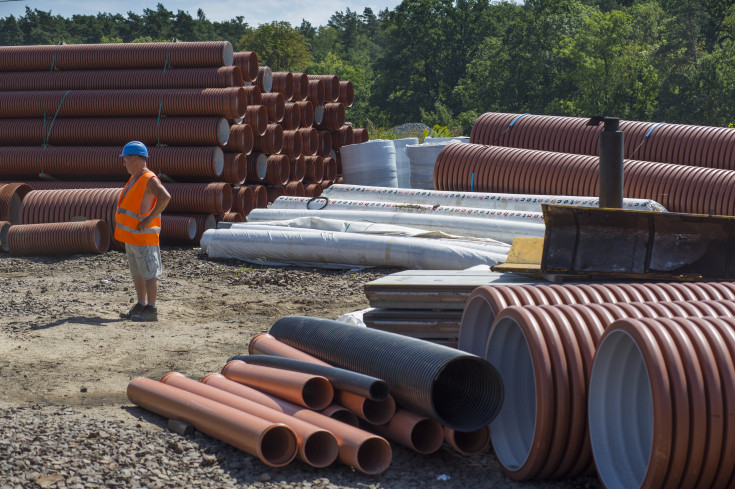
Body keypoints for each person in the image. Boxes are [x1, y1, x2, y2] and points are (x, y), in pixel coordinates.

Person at [115, 141, 171, 322]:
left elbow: (165, 197)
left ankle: (151, 308)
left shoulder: (149, 178)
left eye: (125, 160)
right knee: (138, 273)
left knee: (149, 273)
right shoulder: (136, 178)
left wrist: (148, 219)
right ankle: (141, 303)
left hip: (144, 237)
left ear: (134, 159)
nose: (124, 163)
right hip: (132, 237)